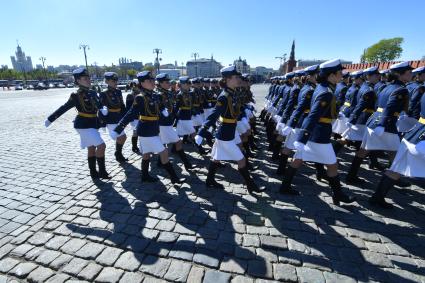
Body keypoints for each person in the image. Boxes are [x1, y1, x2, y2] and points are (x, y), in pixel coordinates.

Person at [279, 59, 356, 206]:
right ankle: (338, 194)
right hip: (318, 134)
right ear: (331, 75)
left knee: (298, 159)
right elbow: (313, 116)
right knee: (332, 164)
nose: (342, 75)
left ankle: (285, 186)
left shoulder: (322, 88)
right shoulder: (325, 92)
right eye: (339, 73)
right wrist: (302, 139)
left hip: (316, 132)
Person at [196, 66, 265, 195]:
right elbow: (214, 114)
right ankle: (251, 186)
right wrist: (202, 131)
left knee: (215, 158)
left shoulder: (233, 92)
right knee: (241, 160)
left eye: (239, 77)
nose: (239, 79)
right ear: (228, 79)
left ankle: (210, 180)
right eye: (236, 77)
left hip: (230, 131)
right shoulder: (224, 96)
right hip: (225, 134)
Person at [112, 71, 185, 184]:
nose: (152, 82)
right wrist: (119, 127)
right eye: (149, 80)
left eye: (152, 80)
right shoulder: (140, 98)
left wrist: (163, 110)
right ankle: (174, 178)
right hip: (146, 130)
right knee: (164, 152)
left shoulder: (155, 95)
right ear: (142, 83)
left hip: (154, 129)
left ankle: (144, 176)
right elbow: (131, 113)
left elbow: (160, 105)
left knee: (146, 153)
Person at [347, 62, 413, 187]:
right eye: (409, 72)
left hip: (374, 121)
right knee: (396, 153)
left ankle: (351, 175)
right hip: (386, 124)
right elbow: (389, 107)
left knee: (364, 150)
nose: (411, 75)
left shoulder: (386, 87)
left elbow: (379, 106)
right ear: (400, 74)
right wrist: (383, 124)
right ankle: (388, 184)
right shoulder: (401, 89)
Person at [44, 68, 110, 179]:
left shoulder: (93, 92)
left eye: (88, 78)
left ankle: (93, 173)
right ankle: (102, 172)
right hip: (83, 124)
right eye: (85, 78)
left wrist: (103, 108)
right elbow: (64, 108)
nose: (88, 80)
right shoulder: (76, 95)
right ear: (78, 81)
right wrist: (50, 119)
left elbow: (99, 104)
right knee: (101, 145)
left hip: (93, 124)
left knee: (91, 147)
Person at [369, 88, 425, 208]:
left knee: (396, 169)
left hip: (413, 135)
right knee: (396, 168)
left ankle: (377, 197)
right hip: (421, 140)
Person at [155, 73, 194, 171]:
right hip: (162, 124)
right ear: (160, 83)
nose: (169, 83)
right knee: (175, 142)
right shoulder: (157, 95)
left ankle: (160, 162)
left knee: (165, 144)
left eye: (169, 81)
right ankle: (187, 164)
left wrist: (175, 117)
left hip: (168, 123)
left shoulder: (169, 93)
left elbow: (174, 107)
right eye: (166, 82)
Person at [99, 72, 128, 162]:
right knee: (121, 137)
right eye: (113, 80)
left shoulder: (118, 91)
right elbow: (101, 109)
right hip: (111, 119)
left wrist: (126, 117)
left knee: (123, 137)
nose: (115, 82)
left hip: (119, 118)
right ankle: (118, 154)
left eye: (116, 80)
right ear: (107, 81)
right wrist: (102, 123)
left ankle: (118, 153)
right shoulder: (104, 93)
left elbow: (122, 106)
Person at [126, 79, 141, 153]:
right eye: (138, 86)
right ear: (134, 86)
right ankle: (134, 146)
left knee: (141, 132)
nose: (139, 87)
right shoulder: (130, 95)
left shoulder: (141, 94)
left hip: (141, 116)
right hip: (134, 117)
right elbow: (128, 108)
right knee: (135, 132)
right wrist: (130, 118)